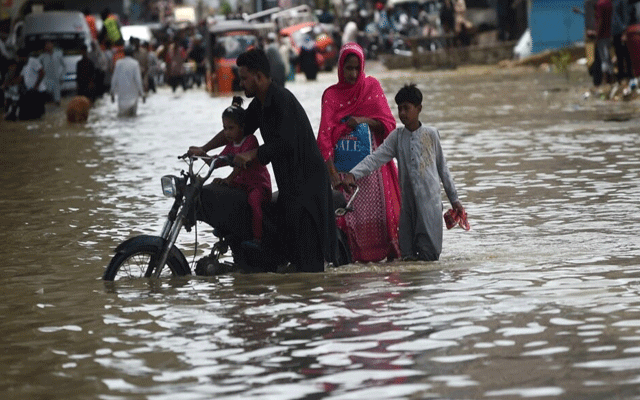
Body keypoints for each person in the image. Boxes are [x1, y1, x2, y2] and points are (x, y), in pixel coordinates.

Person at [188, 48, 338, 273]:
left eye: (245, 78)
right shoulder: (259, 104)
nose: (241, 82)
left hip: (308, 187)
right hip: (288, 186)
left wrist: (252, 154)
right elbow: (238, 130)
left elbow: (285, 142)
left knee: (309, 266)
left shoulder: (282, 100)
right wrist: (204, 149)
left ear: (259, 76)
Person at [342, 84, 467, 262]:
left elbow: (443, 169)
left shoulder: (431, 135)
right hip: (407, 205)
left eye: (406, 108)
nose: (402, 113)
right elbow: (375, 158)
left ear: (419, 109)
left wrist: (455, 201)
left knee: (429, 256)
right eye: (399, 109)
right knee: (407, 255)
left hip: (430, 205)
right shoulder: (397, 137)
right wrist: (353, 174)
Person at [317, 42, 401, 262]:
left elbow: (388, 125)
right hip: (344, 171)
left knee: (379, 217)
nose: (353, 74)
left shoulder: (371, 87)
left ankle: (385, 260)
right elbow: (324, 138)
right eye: (348, 68)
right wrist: (333, 175)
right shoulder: (331, 96)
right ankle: (352, 260)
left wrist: (362, 121)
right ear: (340, 68)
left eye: (357, 68)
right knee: (349, 218)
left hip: (373, 170)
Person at [214, 96, 272, 247]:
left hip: (258, 185)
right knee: (220, 192)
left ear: (242, 127)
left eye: (231, 128)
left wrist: (228, 178)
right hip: (241, 184)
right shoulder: (232, 144)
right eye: (224, 128)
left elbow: (240, 164)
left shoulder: (250, 140)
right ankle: (224, 228)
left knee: (253, 201)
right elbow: (219, 159)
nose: (227, 132)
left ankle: (257, 239)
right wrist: (200, 154)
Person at [110, 46, 144, 117]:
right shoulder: (135, 64)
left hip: (122, 101)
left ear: (124, 53)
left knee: (122, 119)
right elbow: (138, 80)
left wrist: (112, 93)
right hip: (133, 100)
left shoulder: (118, 63)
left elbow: (114, 79)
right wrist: (142, 94)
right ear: (132, 54)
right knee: (132, 119)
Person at [613, 0, 633, 85]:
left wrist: (624, 32)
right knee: (619, 55)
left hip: (622, 32)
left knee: (626, 56)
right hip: (616, 32)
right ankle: (622, 78)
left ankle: (629, 77)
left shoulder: (621, 1)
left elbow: (625, 16)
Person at [38, 41, 65, 106]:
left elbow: (64, 66)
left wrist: (61, 76)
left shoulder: (58, 54)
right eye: (46, 45)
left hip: (56, 78)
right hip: (46, 79)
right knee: (46, 98)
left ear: (52, 45)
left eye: (49, 45)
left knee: (57, 99)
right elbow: (37, 66)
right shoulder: (42, 56)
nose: (48, 47)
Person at [585, 0, 604, 87]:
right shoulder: (590, 3)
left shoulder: (592, 3)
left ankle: (598, 80)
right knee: (592, 60)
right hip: (593, 34)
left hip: (596, 33)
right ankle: (597, 80)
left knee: (596, 58)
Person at [596, 0, 614, 85]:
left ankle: (606, 79)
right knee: (608, 57)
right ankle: (612, 77)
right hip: (610, 33)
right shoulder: (610, 3)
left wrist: (597, 33)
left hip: (602, 35)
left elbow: (600, 19)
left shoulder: (600, 4)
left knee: (604, 58)